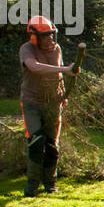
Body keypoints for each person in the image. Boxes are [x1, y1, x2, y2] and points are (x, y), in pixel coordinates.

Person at [19, 15, 73, 197]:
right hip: (32, 103)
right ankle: (31, 185)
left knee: (52, 145)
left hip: (53, 102)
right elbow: (34, 67)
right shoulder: (26, 49)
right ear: (34, 37)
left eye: (52, 35)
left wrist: (64, 93)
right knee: (36, 141)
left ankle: (50, 183)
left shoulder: (56, 49)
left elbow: (58, 73)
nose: (50, 39)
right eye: (46, 36)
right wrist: (64, 70)